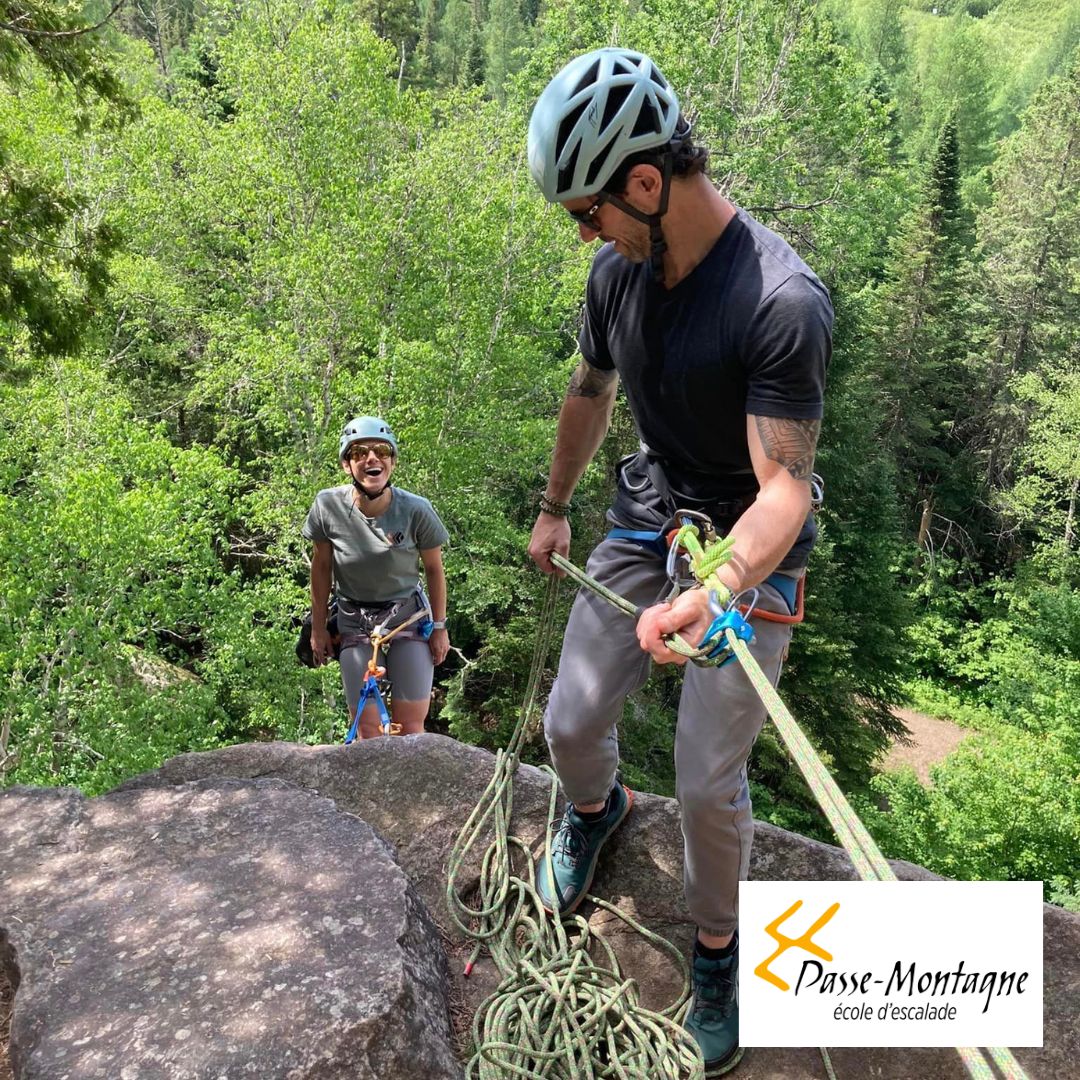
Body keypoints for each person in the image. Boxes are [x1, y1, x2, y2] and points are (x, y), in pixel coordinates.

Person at [525, 48, 832, 1074]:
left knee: (706, 780)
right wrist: (555, 507)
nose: (584, 233)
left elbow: (784, 487)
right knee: (569, 720)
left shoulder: (779, 300)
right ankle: (596, 809)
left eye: (589, 210)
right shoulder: (620, 274)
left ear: (646, 184)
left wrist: (718, 589)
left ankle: (716, 950)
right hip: (651, 518)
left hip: (750, 553)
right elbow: (590, 390)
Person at [304, 416, 450, 738]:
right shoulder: (328, 506)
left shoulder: (416, 510)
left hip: (406, 617)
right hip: (354, 619)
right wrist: (318, 628)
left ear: (392, 461)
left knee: (410, 727)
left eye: (381, 451)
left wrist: (439, 627)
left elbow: (435, 570)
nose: (372, 458)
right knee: (367, 729)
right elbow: (321, 569)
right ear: (347, 465)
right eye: (359, 453)